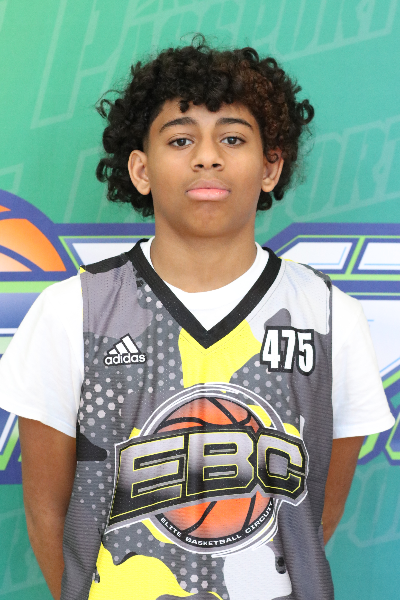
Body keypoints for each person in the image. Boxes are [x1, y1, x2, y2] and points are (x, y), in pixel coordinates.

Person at [0, 38, 394, 600]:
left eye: (232, 138)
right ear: (141, 169)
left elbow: (315, 517)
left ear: (270, 166)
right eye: (180, 139)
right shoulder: (73, 310)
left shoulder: (331, 316)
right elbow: (46, 509)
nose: (207, 157)